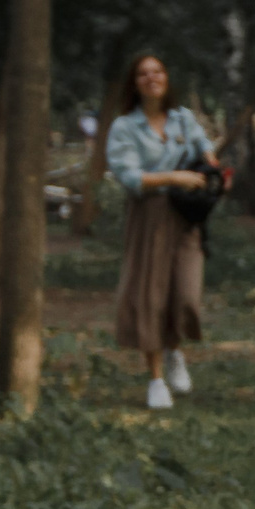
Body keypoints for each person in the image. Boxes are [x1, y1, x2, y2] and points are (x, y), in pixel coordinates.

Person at [104, 52, 213, 412]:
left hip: (185, 216)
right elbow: (130, 176)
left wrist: (212, 170)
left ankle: (174, 349)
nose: (152, 78)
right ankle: (155, 380)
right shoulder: (124, 127)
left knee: (186, 296)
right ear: (134, 83)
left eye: (158, 71)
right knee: (149, 296)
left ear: (167, 78)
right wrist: (172, 176)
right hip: (149, 214)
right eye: (143, 73)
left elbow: (206, 152)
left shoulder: (183, 119)